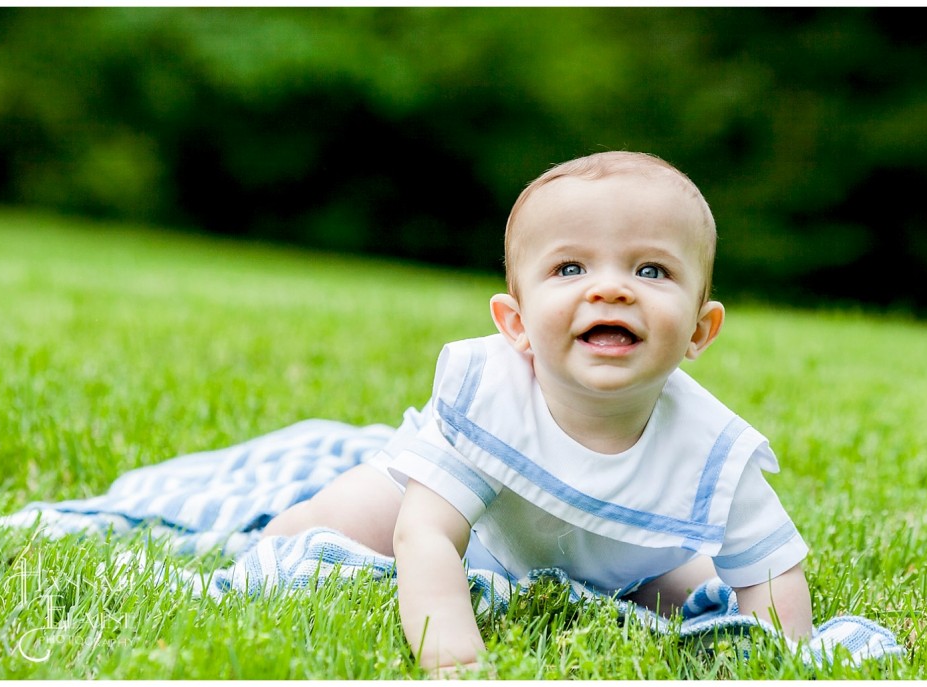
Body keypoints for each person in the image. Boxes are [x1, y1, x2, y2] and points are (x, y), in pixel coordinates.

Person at [263, 151, 813, 675]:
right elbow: (426, 533)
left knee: (701, 595)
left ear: (699, 329)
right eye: (571, 267)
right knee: (344, 520)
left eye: (651, 271)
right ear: (516, 323)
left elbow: (769, 571)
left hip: (613, 554)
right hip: (472, 519)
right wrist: (454, 662)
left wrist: (784, 659)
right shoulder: (491, 400)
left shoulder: (713, 452)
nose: (611, 290)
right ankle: (272, 540)